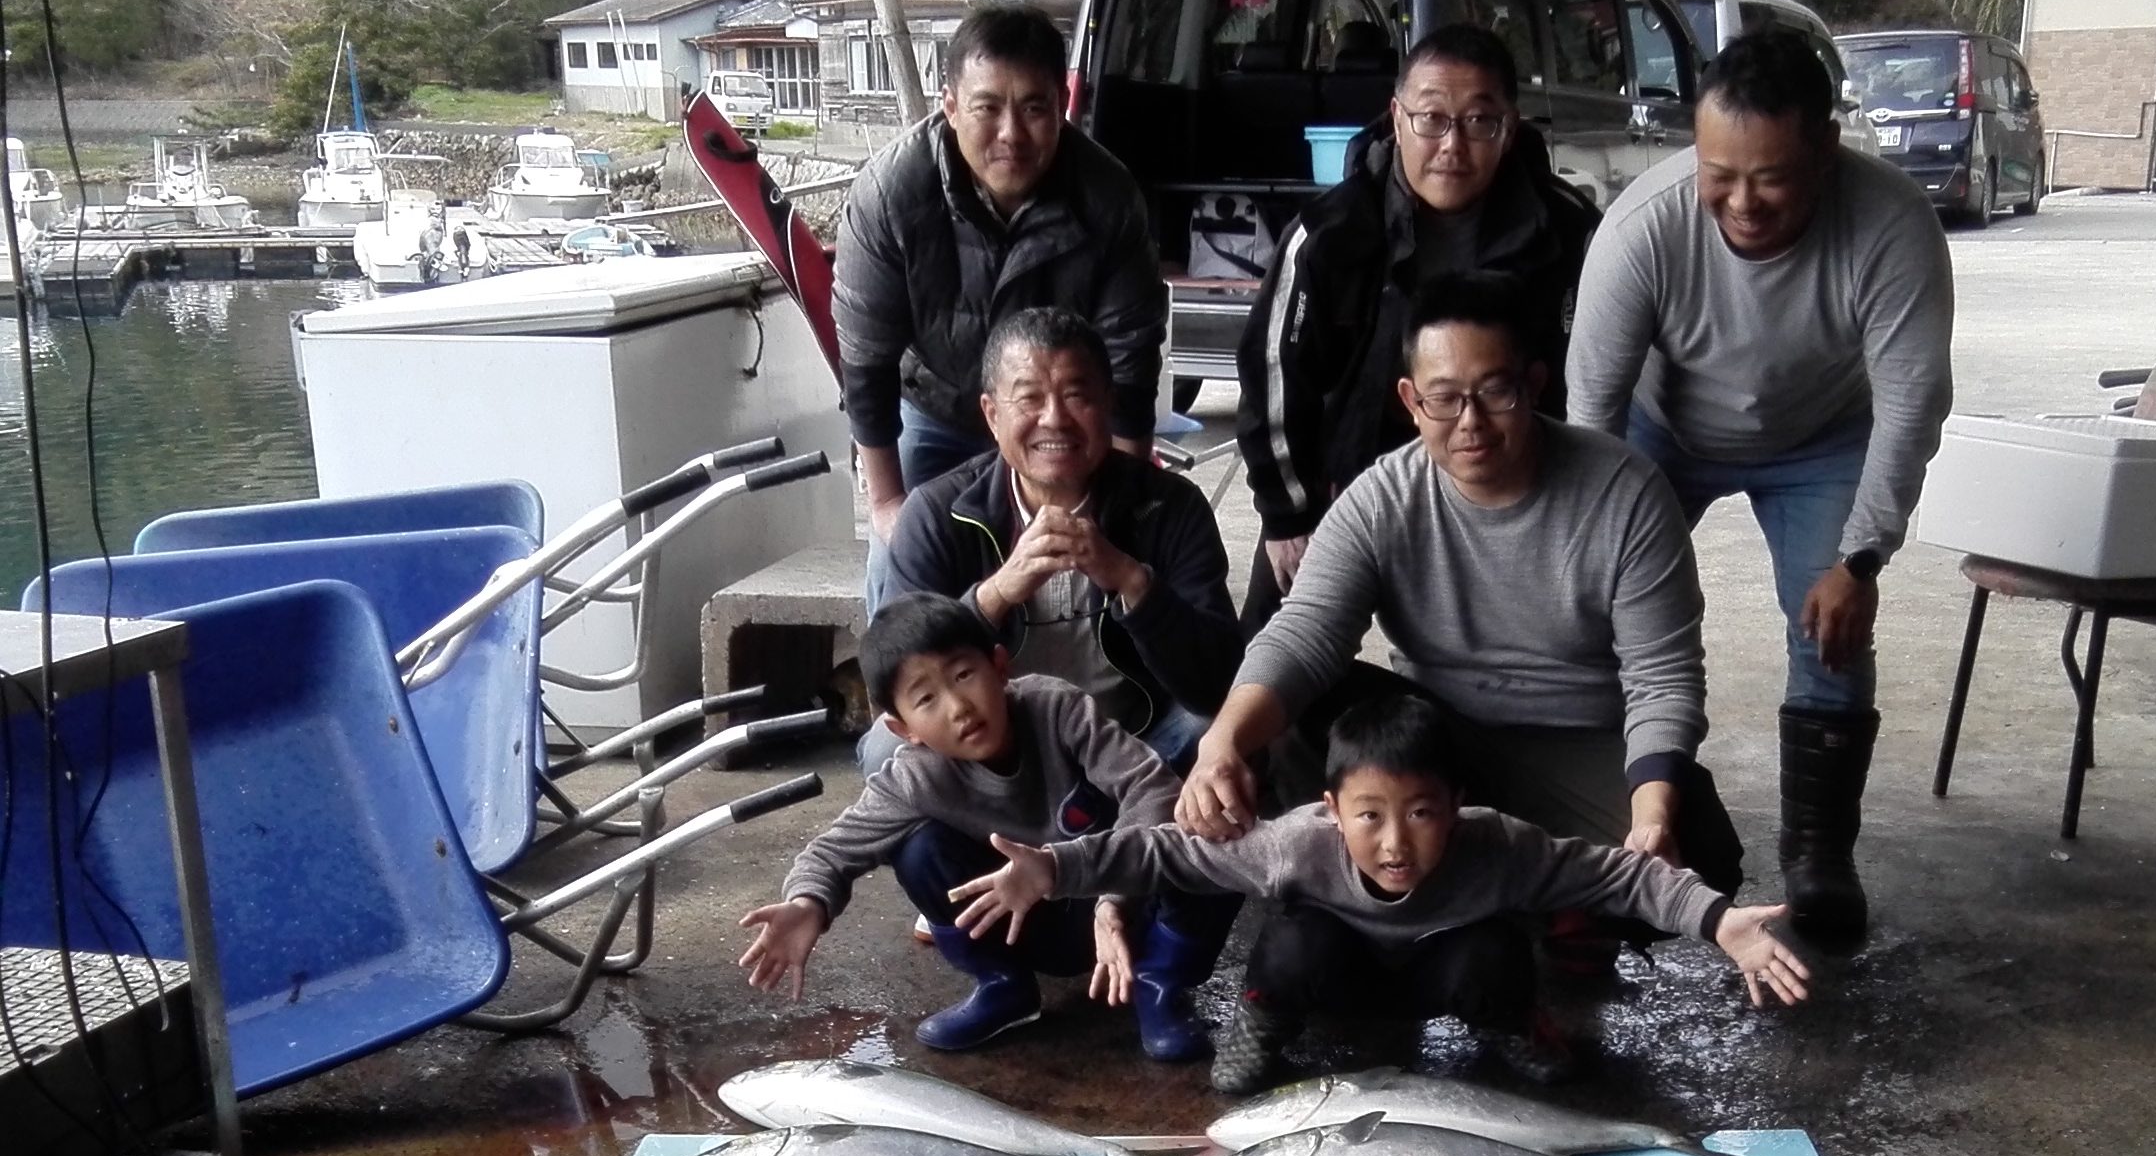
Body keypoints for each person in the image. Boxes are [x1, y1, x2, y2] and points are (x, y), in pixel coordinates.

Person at [1565, 27, 1955, 950]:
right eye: (1718, 174)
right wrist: (1580, 548)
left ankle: (1819, 855)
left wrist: (1862, 556)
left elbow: (1910, 404)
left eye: (1769, 178)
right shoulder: (1643, 224)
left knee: (1827, 626)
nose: (1739, 202)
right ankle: (1595, 817)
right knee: (1590, 612)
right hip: (1663, 433)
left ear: (1825, 148)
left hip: (1820, 438)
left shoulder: (1891, 224)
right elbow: (1592, 410)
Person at [1185, 270, 1742, 901]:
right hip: (1437, 744)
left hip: (1579, 743)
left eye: (1494, 392)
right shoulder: (1382, 498)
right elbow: (1305, 630)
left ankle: (1556, 907)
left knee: (1701, 850)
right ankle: (1374, 896)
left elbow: (1662, 676)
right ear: (1410, 398)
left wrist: (1651, 820)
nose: (1470, 421)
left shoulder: (1626, 492)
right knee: (1301, 706)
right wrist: (1221, 743)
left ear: (1533, 384)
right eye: (1443, 398)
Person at [952, 690, 1807, 1095]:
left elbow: (1618, 871)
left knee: (1498, 952)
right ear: (1332, 810)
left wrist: (1718, 921)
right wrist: (1056, 868)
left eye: (1422, 813)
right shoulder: (1293, 845)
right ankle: (1265, 1025)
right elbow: (1165, 854)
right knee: (1290, 943)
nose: (1395, 842)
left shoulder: (1496, 846)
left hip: (1445, 978)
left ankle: (1511, 1028)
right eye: (1369, 816)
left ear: (1458, 807)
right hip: (1338, 980)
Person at [738, 595, 1229, 1059]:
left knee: (1210, 827)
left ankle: (1158, 985)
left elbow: (1152, 790)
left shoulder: (1056, 709)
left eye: (964, 675)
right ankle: (1004, 986)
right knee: (918, 849)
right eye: (926, 698)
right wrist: (808, 903)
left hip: (1119, 907)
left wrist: (1113, 899)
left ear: (999, 666)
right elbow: (831, 851)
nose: (958, 707)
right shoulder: (915, 776)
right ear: (903, 728)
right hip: (1021, 922)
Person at [1236, 23, 1598, 627]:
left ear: (1510, 129)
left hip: (1508, 481)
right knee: (1266, 660)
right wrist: (1287, 514)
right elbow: (1276, 374)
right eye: (1431, 119)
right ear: (1397, 117)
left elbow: (1592, 379)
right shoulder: (1331, 233)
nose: (1452, 146)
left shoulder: (1567, 233)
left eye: (1479, 122)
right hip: (1348, 480)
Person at [834, 5, 1166, 600]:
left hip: (1055, 417)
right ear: (951, 106)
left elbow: (1131, 364)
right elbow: (865, 362)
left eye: (1034, 108)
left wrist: (1124, 500)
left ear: (1062, 108)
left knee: (1108, 567)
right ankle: (896, 694)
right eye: (987, 108)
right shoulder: (888, 194)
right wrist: (886, 506)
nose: (1010, 133)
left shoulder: (1110, 199)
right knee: (901, 568)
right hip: (935, 408)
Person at [880, 308, 1240, 773]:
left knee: (1215, 728)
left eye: (1076, 396)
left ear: (1108, 404)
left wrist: (1133, 582)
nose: (1054, 419)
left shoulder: (1169, 507)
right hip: (991, 754)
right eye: (1029, 398)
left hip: (1137, 743)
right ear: (992, 415)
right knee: (884, 750)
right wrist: (998, 593)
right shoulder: (935, 513)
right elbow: (897, 671)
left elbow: (1220, 681)